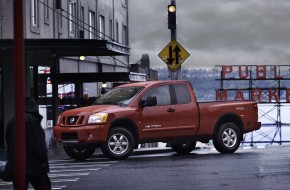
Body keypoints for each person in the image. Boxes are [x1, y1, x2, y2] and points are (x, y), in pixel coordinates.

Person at [5, 97, 51, 190]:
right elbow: (38, 144)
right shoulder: (32, 121)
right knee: (44, 186)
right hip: (34, 165)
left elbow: (8, 142)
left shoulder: (11, 121)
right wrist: (43, 160)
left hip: (16, 166)